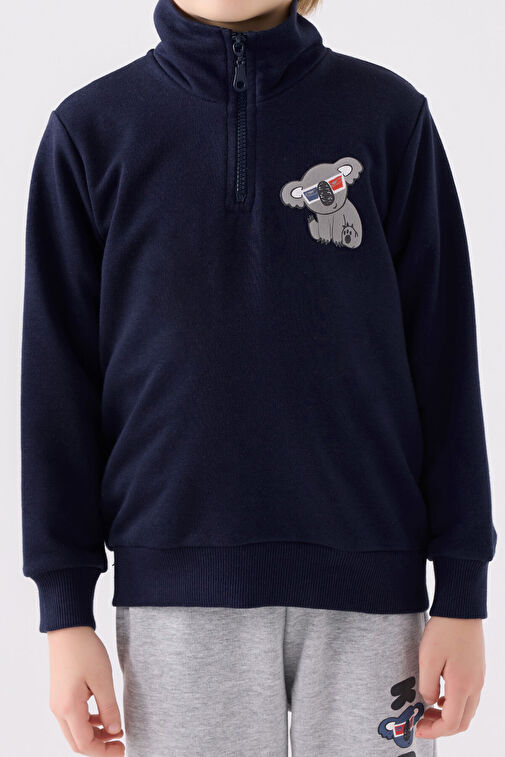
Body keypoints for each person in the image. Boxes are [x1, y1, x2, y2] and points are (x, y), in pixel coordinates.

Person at [21, 0, 497, 754]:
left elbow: (445, 365)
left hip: (375, 596)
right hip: (175, 595)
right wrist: (64, 612)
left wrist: (463, 594)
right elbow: (57, 389)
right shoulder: (91, 130)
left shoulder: (388, 117)